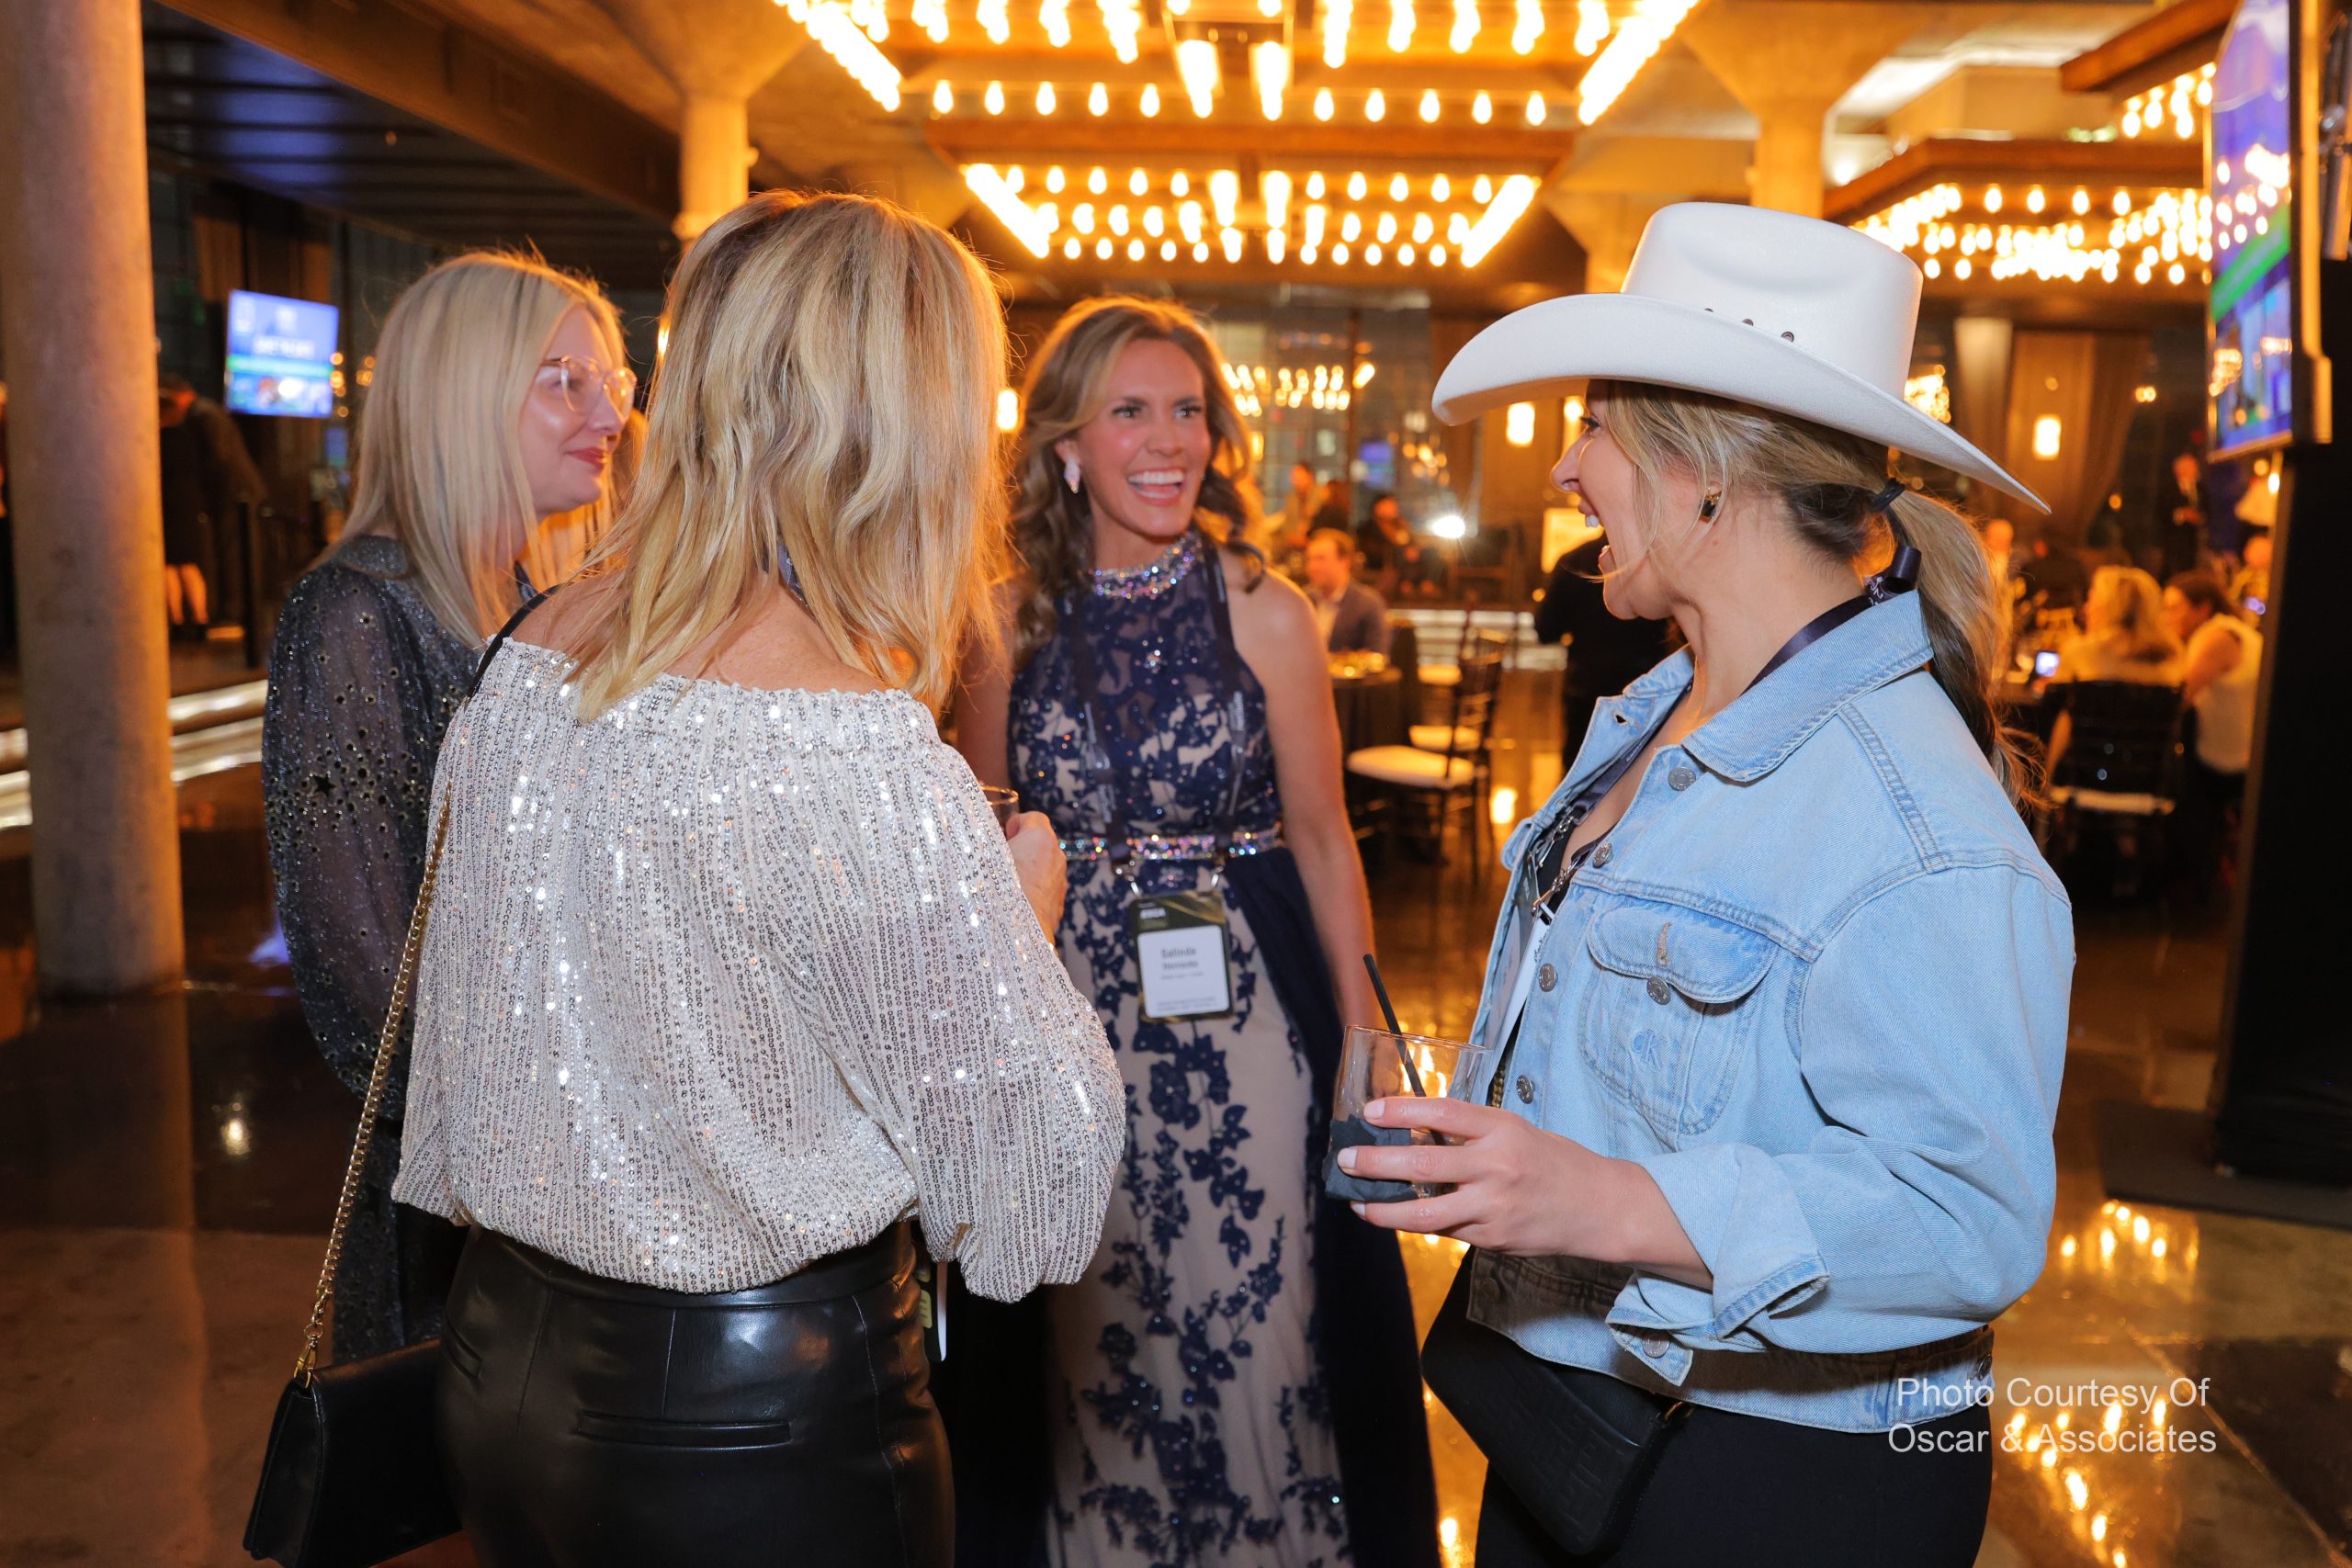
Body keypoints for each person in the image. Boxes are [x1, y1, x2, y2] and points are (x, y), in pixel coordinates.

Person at [395, 192, 1125, 1567]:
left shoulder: (530, 657)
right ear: (903, 429)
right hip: (753, 1427)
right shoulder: (846, 745)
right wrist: (1019, 926)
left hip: (500, 1371)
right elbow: (1034, 1197)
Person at [1356, 203, 2071, 1567]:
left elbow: (1966, 1218)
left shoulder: (1917, 819)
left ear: (1702, 471)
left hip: (1770, 1479)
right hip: (1576, 1419)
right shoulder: (1656, 710)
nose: (1564, 466)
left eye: (1593, 426)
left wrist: (1602, 1201)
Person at [955, 295, 1438, 1568]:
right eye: (1130, 411)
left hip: (1243, 1021)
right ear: (1066, 444)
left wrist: (1366, 1044)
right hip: (1070, 1032)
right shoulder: (1001, 620)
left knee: (1251, 1309)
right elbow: (984, 848)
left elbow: (1325, 838)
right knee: (1094, 1340)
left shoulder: (1264, 610)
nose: (1169, 440)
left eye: (1187, 411)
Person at [259, 251, 630, 1360]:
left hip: (569, 1192)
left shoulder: (532, 604)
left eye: (612, 381)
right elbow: (364, 979)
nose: (609, 414)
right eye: (564, 381)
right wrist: (579, 1115)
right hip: (466, 1208)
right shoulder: (354, 615)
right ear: (462, 394)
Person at [1533, 533, 1673, 771]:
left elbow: (1546, 630)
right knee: (1640, 775)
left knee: (1582, 776)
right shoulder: (1658, 560)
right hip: (1646, 688)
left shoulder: (1574, 561)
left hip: (1588, 690)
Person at [2164, 570, 2263, 896]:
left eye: (2174, 607)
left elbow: (2179, 695)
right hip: (2247, 754)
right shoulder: (2235, 630)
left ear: (2203, 608)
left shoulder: (2217, 636)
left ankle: (2181, 877)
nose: (2166, 616)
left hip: (2228, 764)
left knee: (2167, 766)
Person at [156, 371, 266, 636]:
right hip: (238, 492)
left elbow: (218, 458)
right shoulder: (207, 411)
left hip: (233, 494)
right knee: (234, 552)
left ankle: (233, 614)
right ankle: (233, 614)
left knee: (232, 553)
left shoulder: (202, 415)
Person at [1303, 525, 1394, 655]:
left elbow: (1378, 655)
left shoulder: (1368, 604)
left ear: (1344, 562)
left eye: (1320, 559)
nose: (1312, 567)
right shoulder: (1303, 600)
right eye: (1309, 559)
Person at [2163, 449, 2210, 580]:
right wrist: (2182, 515)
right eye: (2190, 467)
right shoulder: (2168, 489)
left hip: (2195, 542)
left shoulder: (2201, 489)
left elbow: (2208, 512)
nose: (2195, 469)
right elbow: (2163, 513)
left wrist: (2199, 518)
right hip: (2174, 541)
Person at [2231, 527, 2273, 622]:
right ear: (2246, 552)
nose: (2261, 557)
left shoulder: (2273, 579)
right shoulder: (2242, 577)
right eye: (2257, 551)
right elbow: (2234, 598)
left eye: (2265, 553)